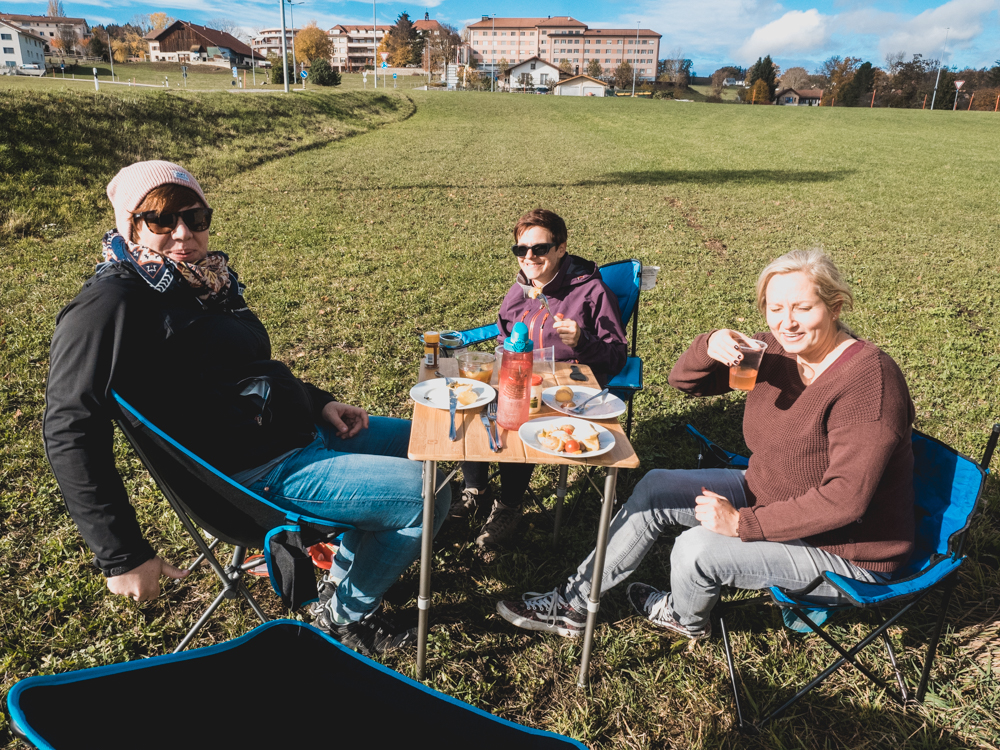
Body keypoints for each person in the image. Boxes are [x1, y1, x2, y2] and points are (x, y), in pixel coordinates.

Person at [43, 160, 450, 656]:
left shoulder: (204, 283)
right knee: (426, 493)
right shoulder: (114, 301)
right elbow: (69, 425)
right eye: (161, 221)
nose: (183, 233)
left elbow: (248, 368)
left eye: (195, 217)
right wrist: (121, 555)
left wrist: (319, 402)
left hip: (293, 430)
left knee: (428, 440)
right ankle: (340, 615)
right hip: (253, 475)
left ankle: (347, 572)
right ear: (129, 225)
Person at [496, 249, 915, 639]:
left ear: (836, 306)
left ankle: (686, 618)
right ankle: (572, 604)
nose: (786, 322)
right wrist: (710, 344)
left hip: (845, 551)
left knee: (696, 548)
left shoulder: (867, 381)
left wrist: (743, 526)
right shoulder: (776, 349)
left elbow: (845, 500)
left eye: (803, 308)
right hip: (770, 491)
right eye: (775, 308)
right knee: (656, 486)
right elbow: (685, 382)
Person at [452, 209, 628, 548]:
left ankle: (510, 505)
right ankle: (476, 487)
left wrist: (582, 341)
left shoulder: (591, 292)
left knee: (521, 414)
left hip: (566, 388)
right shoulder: (519, 289)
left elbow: (617, 355)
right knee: (474, 400)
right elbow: (504, 335)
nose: (529, 258)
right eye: (521, 250)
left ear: (561, 248)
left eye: (540, 249)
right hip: (517, 373)